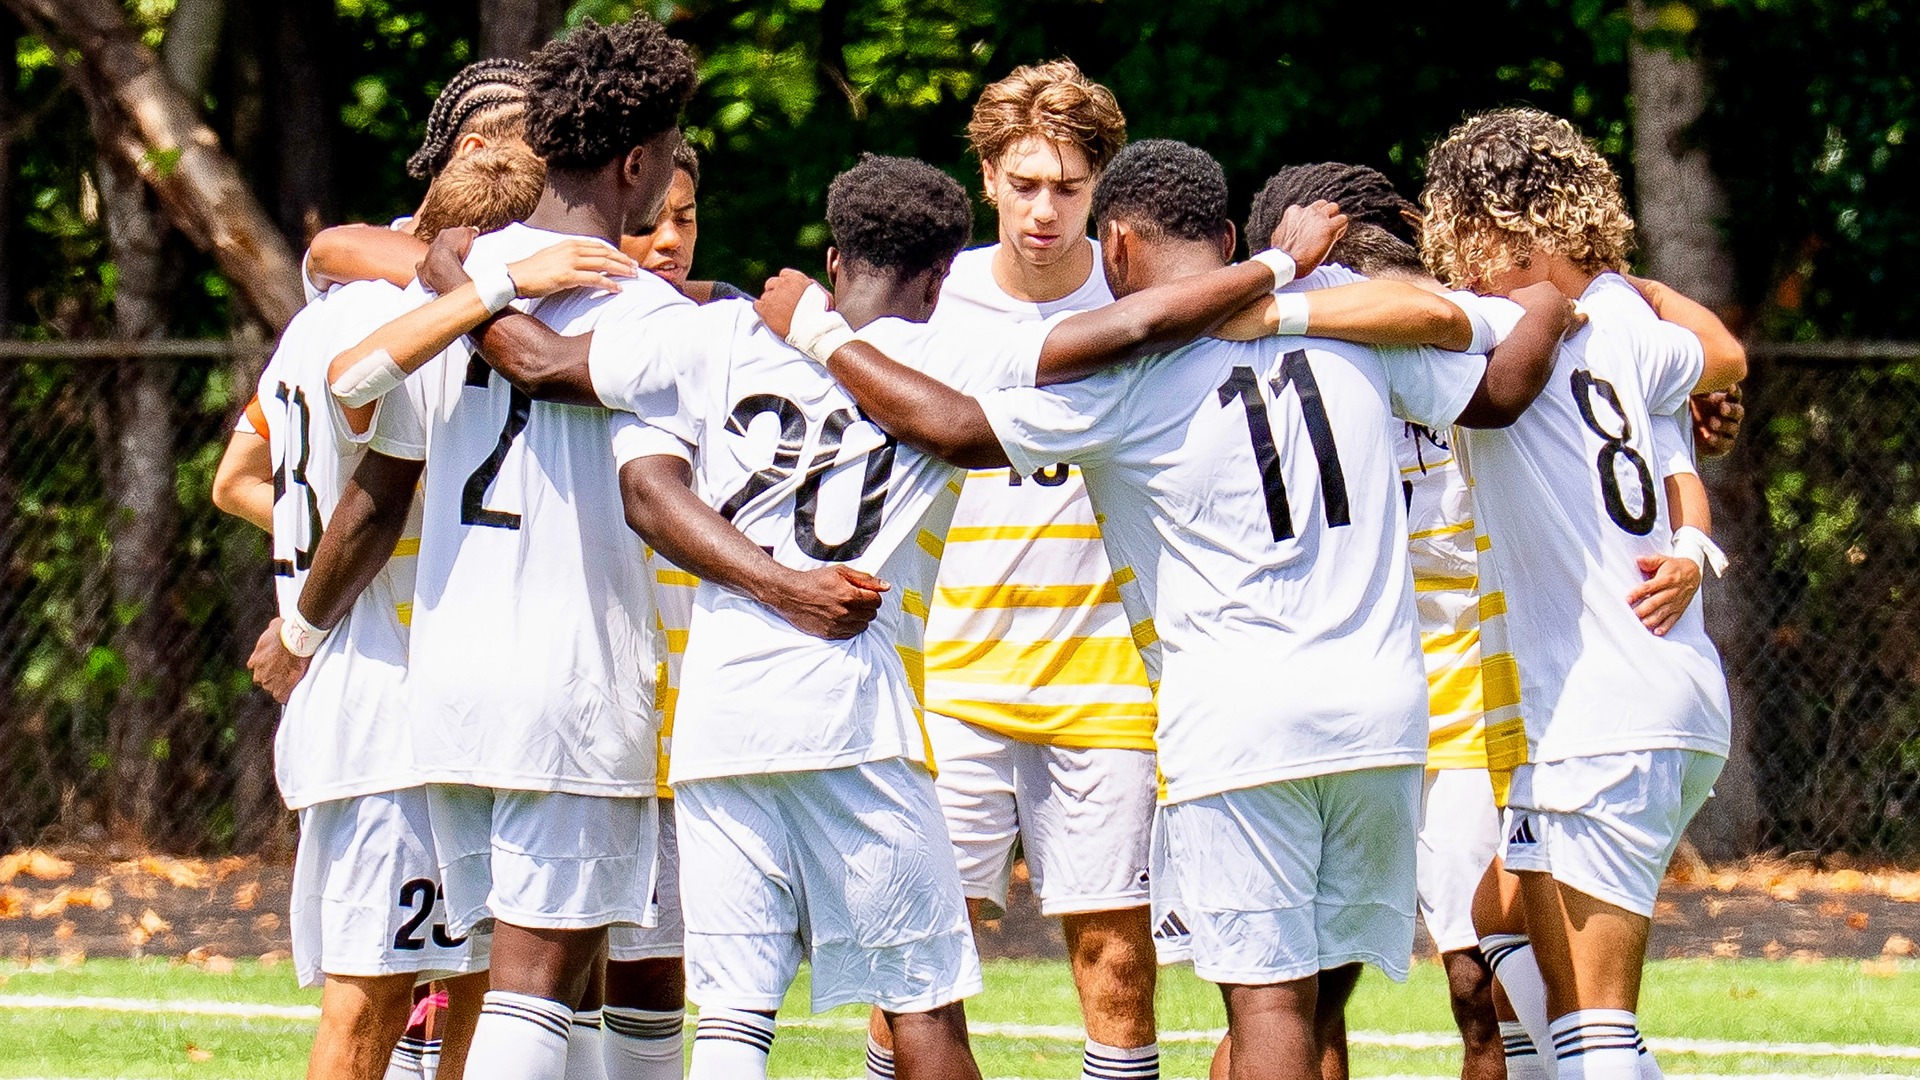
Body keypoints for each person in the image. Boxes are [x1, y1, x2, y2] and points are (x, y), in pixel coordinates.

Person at [408, 146, 1351, 1080]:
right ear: (946, 276)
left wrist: (453, 275)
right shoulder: (953, 351)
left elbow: (589, 425)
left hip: (719, 724)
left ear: (831, 261)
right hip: (854, 715)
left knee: (733, 1014)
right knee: (923, 1005)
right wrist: (1274, 265)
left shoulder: (715, 340)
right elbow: (1132, 330)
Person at [751, 138, 1581, 1080]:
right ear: (1228, 237)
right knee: (1319, 995)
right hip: (1387, 716)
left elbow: (951, 428)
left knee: (1267, 1001)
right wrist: (1556, 302)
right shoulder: (1347, 333)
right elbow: (1504, 385)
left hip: (1238, 719)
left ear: (1114, 250)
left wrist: (821, 335)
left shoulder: (1132, 381)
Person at [246, 17, 705, 1080]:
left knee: (517, 979)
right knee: (538, 992)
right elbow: (638, 477)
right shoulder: (638, 304)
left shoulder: (444, 284)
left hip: (445, 694)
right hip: (572, 684)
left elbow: (364, 405)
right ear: (636, 164)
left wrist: (471, 278)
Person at [1236, 164, 1735, 1080]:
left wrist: (1267, 304)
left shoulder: (1513, 329)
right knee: (1393, 954)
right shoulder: (1605, 330)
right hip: (1401, 677)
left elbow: (1446, 323)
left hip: (1534, 688)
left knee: (1532, 999)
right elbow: (1722, 359)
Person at [1419, 108, 1745, 1080]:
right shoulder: (1631, 328)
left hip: (1607, 707)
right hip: (1649, 695)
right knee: (1498, 914)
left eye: (1468, 241)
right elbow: (1722, 356)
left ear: (1515, 236)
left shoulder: (1500, 333)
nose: (1460, 269)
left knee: (1596, 1031)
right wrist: (1619, 277)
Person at [232, 145, 545, 1080]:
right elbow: (377, 483)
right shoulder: (414, 327)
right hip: (389, 703)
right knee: (372, 1009)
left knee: (470, 984)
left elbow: (238, 479)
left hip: (393, 701)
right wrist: (304, 625)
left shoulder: (315, 316)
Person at [874, 61, 1162, 1080]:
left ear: (1102, 188)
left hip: (1108, 677)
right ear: (989, 174)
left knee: (1118, 962)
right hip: (949, 676)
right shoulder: (929, 304)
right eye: (1026, 182)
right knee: (915, 965)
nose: (1045, 210)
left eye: (1070, 187)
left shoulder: (1139, 303)